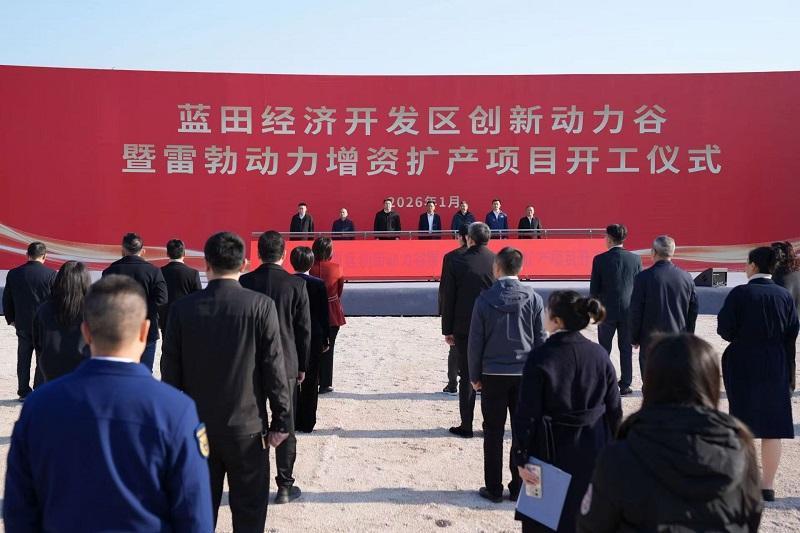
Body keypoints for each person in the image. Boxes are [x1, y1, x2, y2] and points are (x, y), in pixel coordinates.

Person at [5, 275, 213, 531]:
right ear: (144, 331)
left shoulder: (39, 405)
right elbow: (194, 515)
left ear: (86, 331)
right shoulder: (176, 410)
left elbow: (19, 510)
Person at [161, 232, 292, 530]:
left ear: (206, 264)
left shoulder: (182, 309)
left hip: (196, 430)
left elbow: (169, 372)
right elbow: (274, 368)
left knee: (197, 517)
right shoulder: (261, 306)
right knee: (249, 514)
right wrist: (282, 420)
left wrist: (171, 426)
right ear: (244, 264)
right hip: (248, 429)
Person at [577, 334, 763, 532]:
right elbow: (751, 517)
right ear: (711, 383)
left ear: (651, 381)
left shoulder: (619, 455)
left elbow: (592, 525)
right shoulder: (740, 449)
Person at [512, 290, 621, 532]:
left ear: (557, 320)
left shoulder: (540, 357)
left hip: (548, 451)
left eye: (548, 310)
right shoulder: (600, 355)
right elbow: (615, 410)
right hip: (594, 448)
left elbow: (526, 415)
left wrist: (521, 457)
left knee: (543, 522)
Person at [717, 246, 799, 501]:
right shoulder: (784, 296)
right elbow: (792, 333)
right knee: (773, 427)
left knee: (742, 423)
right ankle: (767, 486)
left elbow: (724, 329)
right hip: (775, 362)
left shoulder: (740, 293)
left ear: (753, 265)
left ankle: (743, 483)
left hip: (742, 361)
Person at [468, 247, 546, 503]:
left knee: (492, 431)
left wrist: (474, 375)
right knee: (525, 432)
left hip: (493, 373)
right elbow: (540, 340)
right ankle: (521, 488)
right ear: (520, 268)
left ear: (497, 268)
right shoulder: (534, 298)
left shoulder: (484, 299)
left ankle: (493, 488)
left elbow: (475, 342)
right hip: (525, 374)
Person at [240, 230, 311, 504]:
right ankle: (284, 485)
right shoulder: (296, 285)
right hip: (286, 362)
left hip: (252, 362)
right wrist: (302, 365)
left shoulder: (246, 281)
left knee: (254, 423)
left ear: (259, 254)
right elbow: (303, 331)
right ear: (284, 254)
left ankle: (254, 482)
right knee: (285, 422)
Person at [440, 222, 496, 437]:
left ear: (469, 238)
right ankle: (490, 425)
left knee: (466, 376)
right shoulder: (496, 259)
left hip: (464, 326)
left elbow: (448, 296)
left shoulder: (455, 259)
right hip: (491, 326)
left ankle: (466, 425)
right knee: (489, 375)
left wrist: (447, 329)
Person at [629, 235, 697, 375]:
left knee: (651, 380)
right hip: (678, 337)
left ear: (653, 252)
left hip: (650, 340)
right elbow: (693, 310)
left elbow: (636, 311)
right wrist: (688, 335)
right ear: (673, 252)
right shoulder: (686, 277)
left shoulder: (643, 278)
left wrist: (634, 337)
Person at [102, 232, 168, 372]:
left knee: (119, 372)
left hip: (118, 328)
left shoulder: (110, 271)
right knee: (144, 373)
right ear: (142, 251)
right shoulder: (153, 271)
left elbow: (104, 300)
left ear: (123, 249)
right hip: (146, 329)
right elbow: (162, 299)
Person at [589, 224, 642, 395]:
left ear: (610, 239)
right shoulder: (635, 259)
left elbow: (594, 290)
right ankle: (625, 384)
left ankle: (604, 382)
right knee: (626, 349)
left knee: (604, 348)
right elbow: (639, 288)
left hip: (605, 311)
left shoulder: (599, 259)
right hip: (628, 311)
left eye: (605, 236)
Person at [2, 242, 56, 400]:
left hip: (23, 323)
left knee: (23, 358)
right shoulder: (51, 274)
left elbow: (7, 299)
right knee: (42, 358)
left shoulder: (14, 273)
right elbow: (55, 300)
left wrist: (11, 319)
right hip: (44, 324)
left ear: (27, 255)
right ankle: (39, 390)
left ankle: (23, 391)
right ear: (45, 256)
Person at [290, 246, 330, 432]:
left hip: (291, 334)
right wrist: (326, 338)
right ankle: (307, 422)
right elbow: (324, 314)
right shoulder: (318, 284)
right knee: (312, 379)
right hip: (314, 335)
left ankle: (293, 418)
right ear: (311, 263)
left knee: (291, 378)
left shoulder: (287, 282)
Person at [32, 261, 91, 382]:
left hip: (52, 371)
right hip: (85, 371)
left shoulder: (44, 310)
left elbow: (38, 343)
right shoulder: (94, 310)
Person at [310, 237, 346, 394]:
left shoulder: (309, 268)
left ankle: (313, 379)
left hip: (311, 312)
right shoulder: (336, 268)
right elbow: (339, 290)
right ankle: (325, 383)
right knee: (329, 347)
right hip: (331, 312)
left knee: (312, 347)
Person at [439, 224, 469, 394]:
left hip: (457, 312)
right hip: (478, 312)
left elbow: (446, 289)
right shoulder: (487, 257)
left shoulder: (451, 257)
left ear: (462, 237)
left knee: (454, 349)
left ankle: (452, 384)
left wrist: (443, 315)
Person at [158, 238, 202, 337]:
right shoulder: (193, 273)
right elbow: (198, 298)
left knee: (167, 344)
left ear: (167, 254)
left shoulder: (160, 272)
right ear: (184, 253)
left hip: (166, 318)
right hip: (186, 317)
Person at [772, 240, 800, 387]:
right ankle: (790, 384)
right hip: (794, 320)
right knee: (790, 354)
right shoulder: (796, 273)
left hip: (780, 321)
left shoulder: (779, 277)